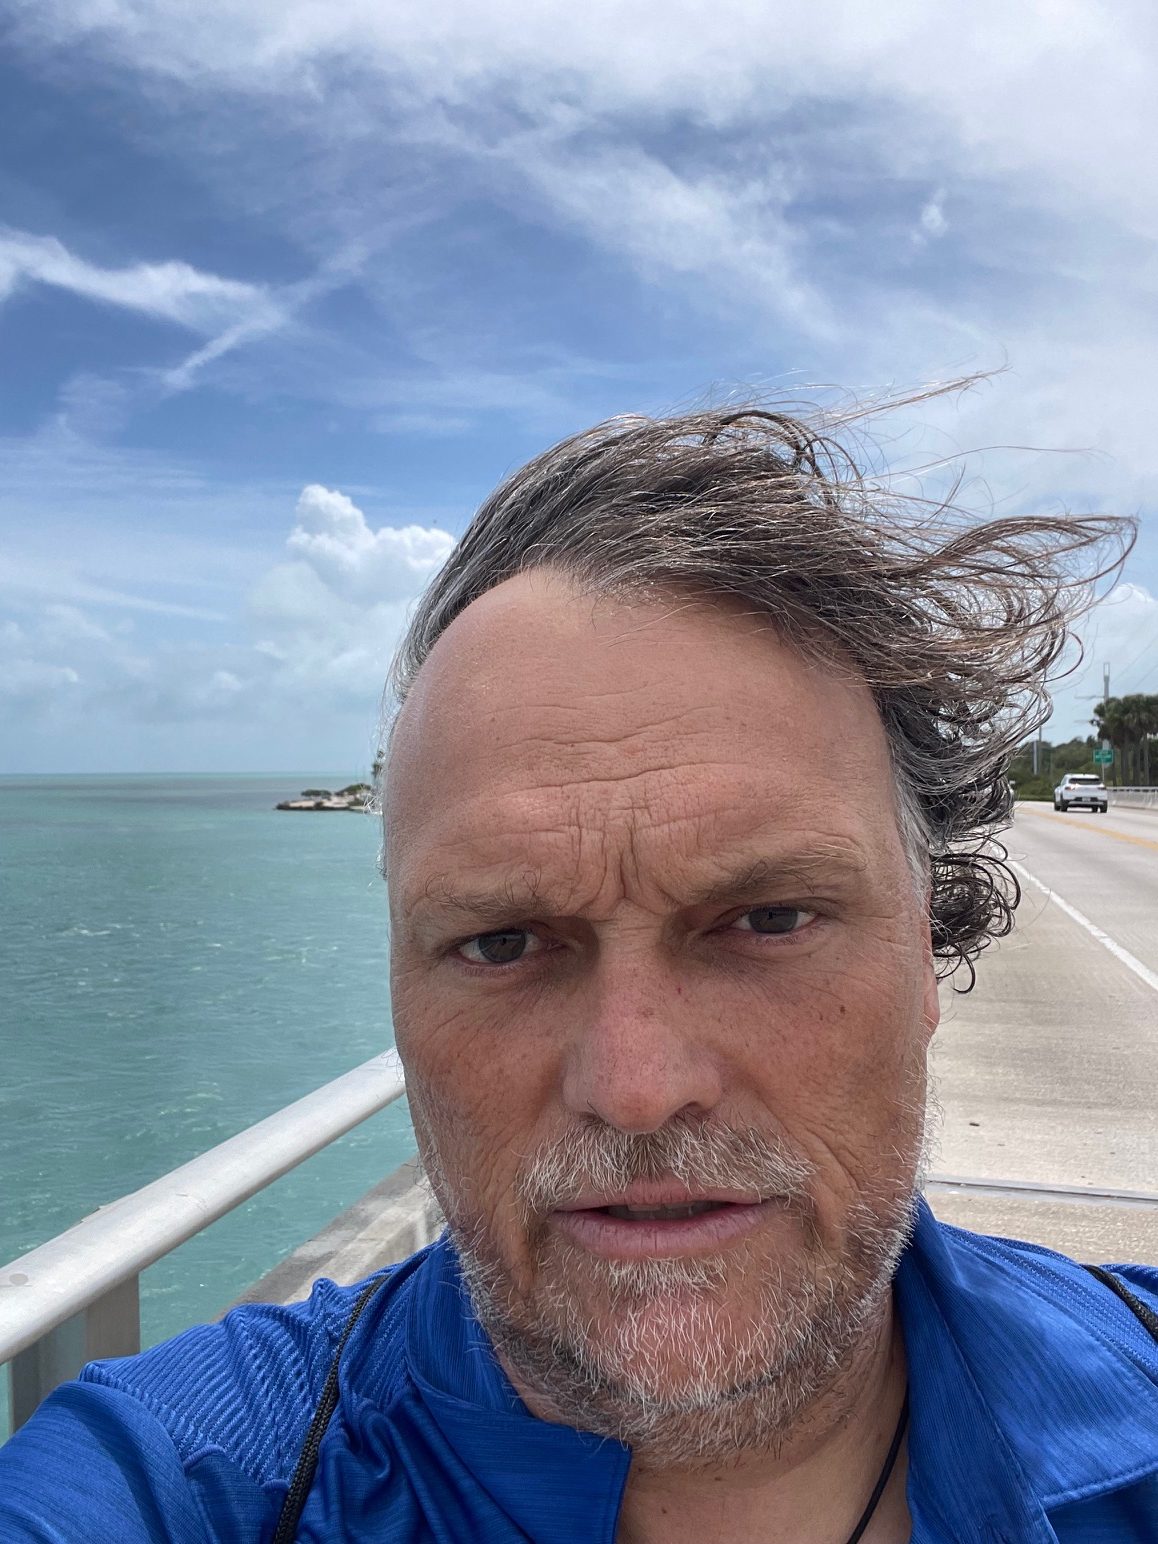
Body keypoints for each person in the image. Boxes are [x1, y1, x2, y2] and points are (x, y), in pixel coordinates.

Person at [2, 401, 1155, 1543]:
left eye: (769, 918)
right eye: (502, 941)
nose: (636, 1086)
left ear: (923, 947)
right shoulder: (189, 1481)